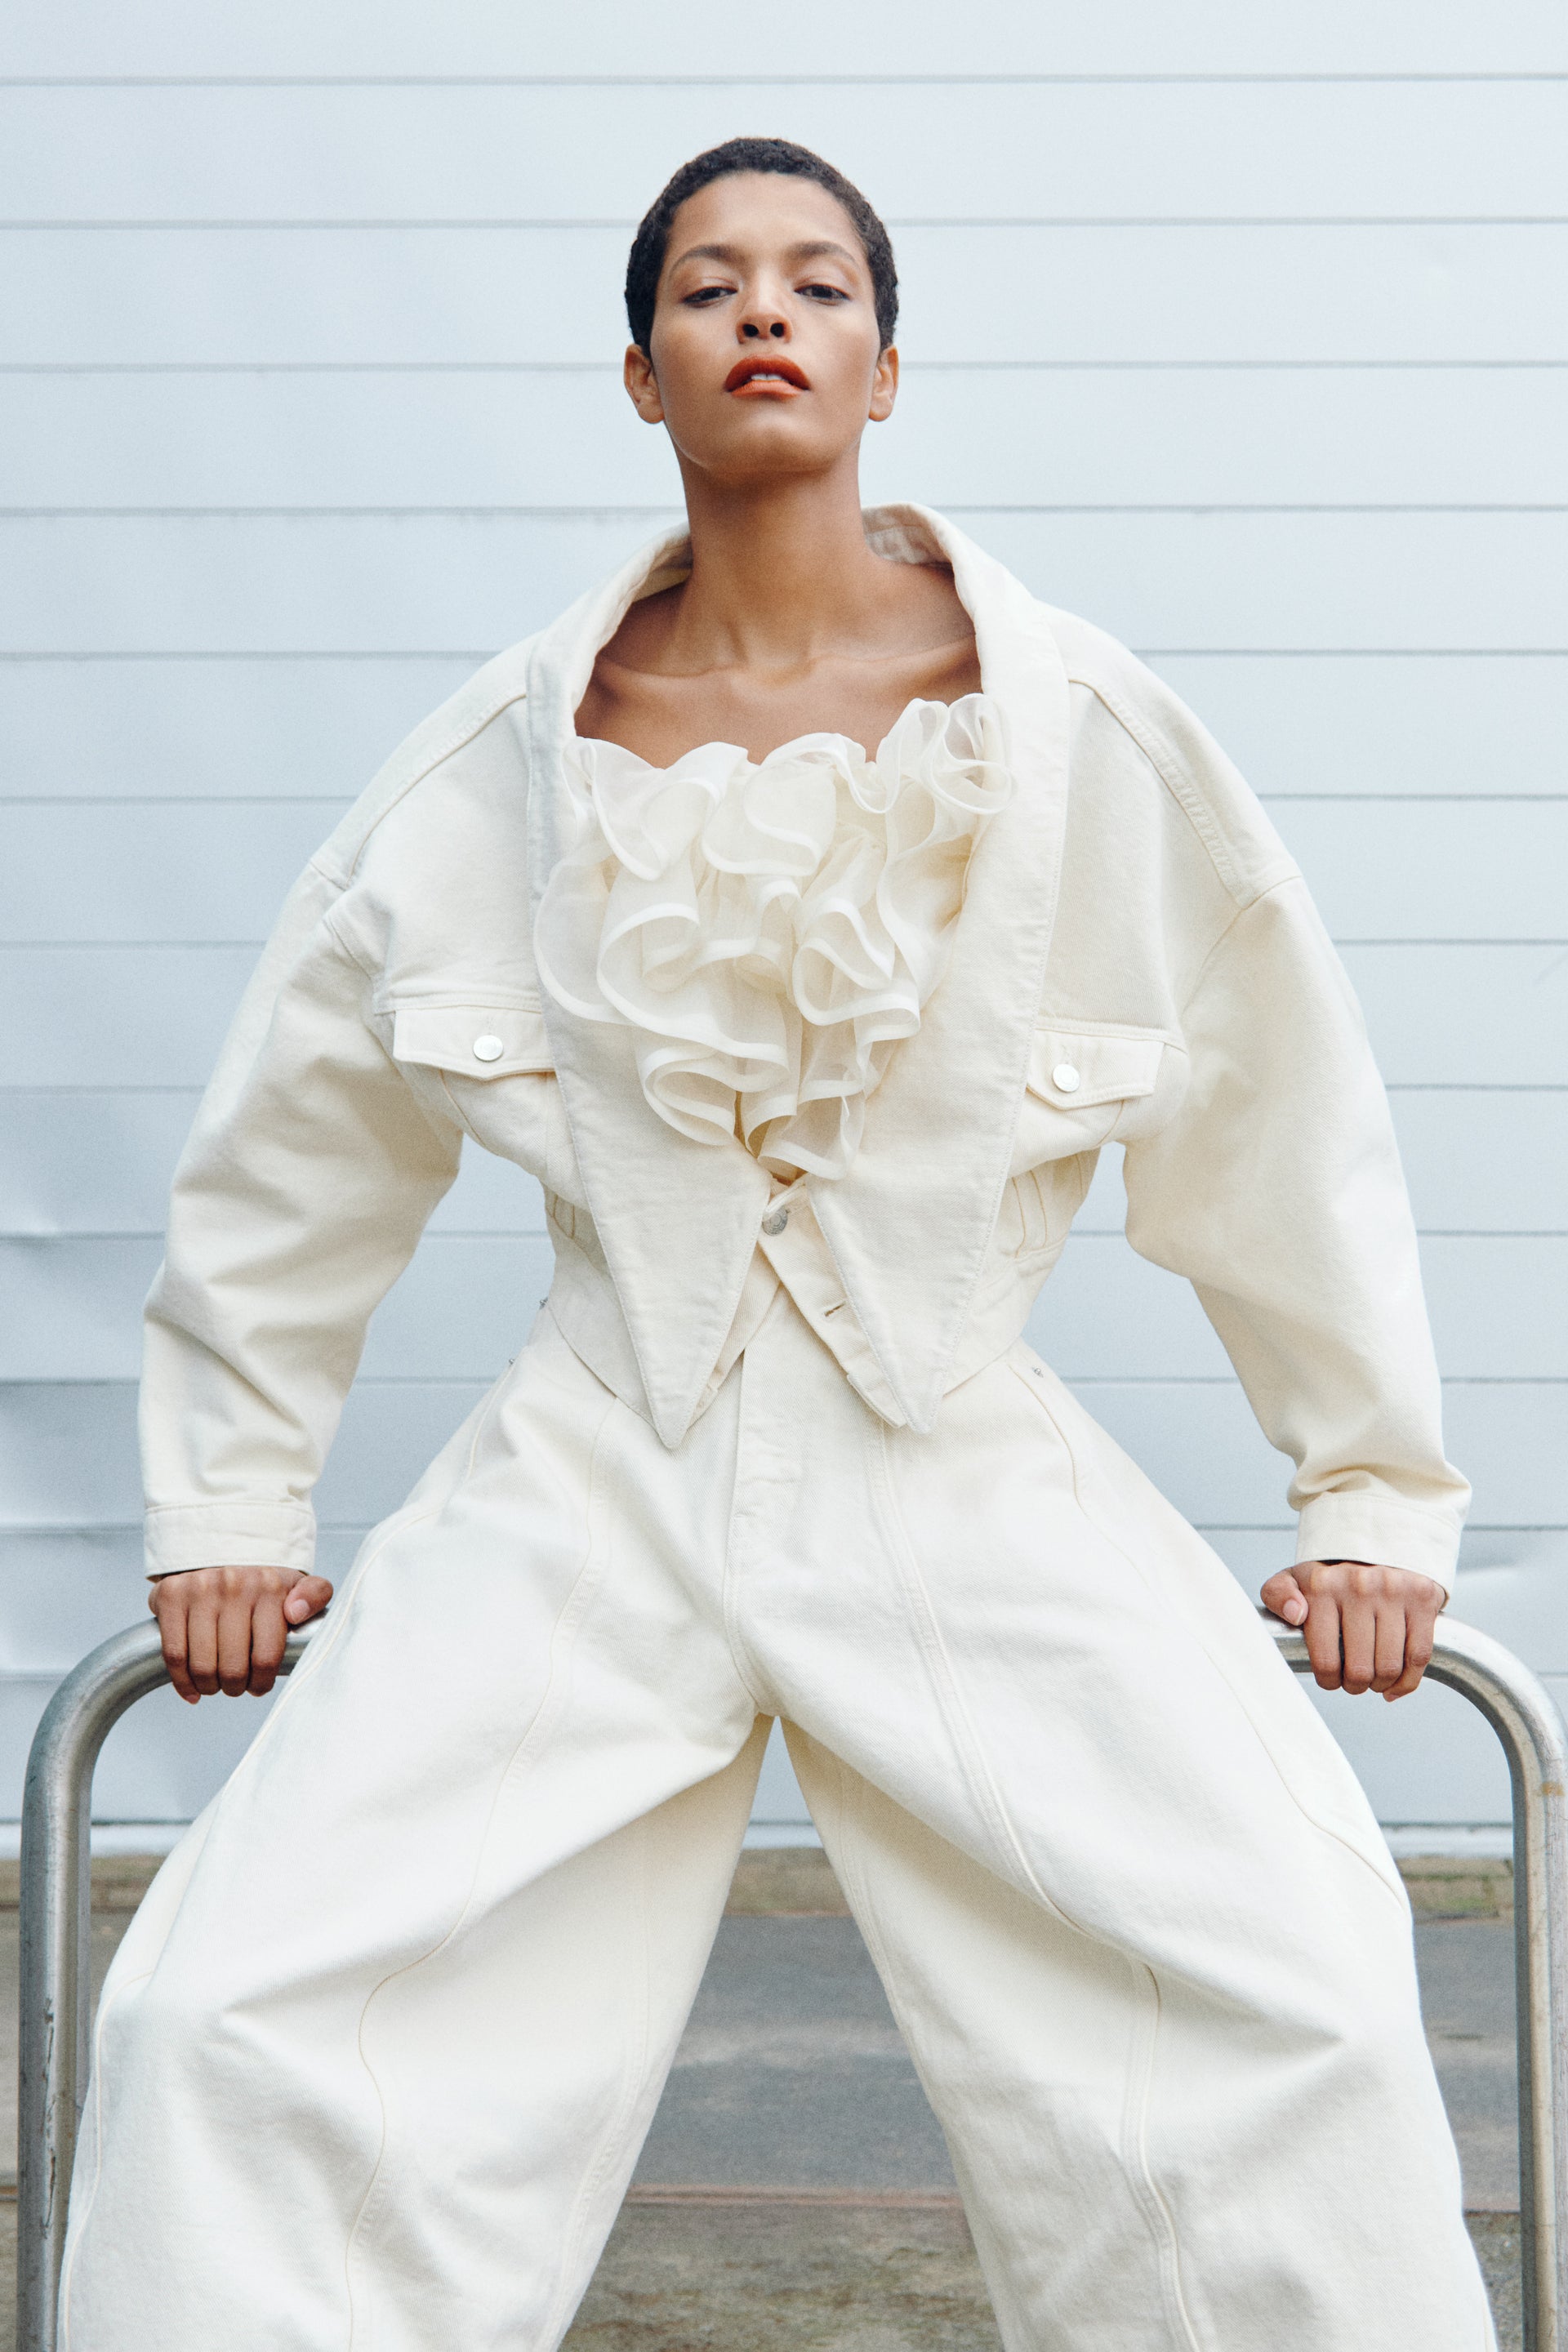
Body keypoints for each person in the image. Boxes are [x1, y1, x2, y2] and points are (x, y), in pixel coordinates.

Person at [60, 138, 1492, 2350]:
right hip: (597, 1458)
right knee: (223, 2019)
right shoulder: (505, 757)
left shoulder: (1085, 730)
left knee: (1294, 1994)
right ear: (640, 372)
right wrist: (229, 1510)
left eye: (820, 283)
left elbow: (1283, 1119)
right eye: (709, 283)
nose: (765, 312)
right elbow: (296, 1152)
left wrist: (1371, 1499)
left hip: (957, 1446)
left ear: (885, 366)